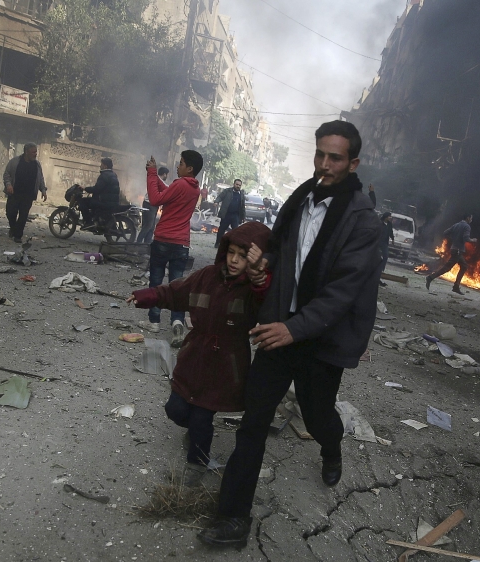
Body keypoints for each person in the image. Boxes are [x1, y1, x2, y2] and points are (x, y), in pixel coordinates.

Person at [197, 121, 381, 548]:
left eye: (335, 157)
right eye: (320, 154)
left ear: (353, 163)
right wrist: (264, 268)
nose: (324, 164)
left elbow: (341, 294)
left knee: (318, 420)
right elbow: (284, 257)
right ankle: (232, 519)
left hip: (320, 341)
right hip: (279, 333)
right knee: (253, 424)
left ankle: (331, 446)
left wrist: (293, 328)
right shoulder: (301, 202)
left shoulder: (364, 223)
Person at [127, 222, 271, 486]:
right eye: (231, 253)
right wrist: (144, 296)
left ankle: (197, 463)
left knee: (203, 415)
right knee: (176, 408)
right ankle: (194, 433)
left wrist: (260, 279)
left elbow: (265, 303)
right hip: (194, 356)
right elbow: (175, 292)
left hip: (226, 363)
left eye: (242, 255)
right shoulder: (206, 276)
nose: (235, 260)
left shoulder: (253, 290)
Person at [140, 151, 202, 347]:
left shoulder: (179, 184)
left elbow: (156, 199)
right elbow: (168, 192)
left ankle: (154, 321)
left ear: (190, 168)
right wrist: (155, 174)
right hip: (181, 243)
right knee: (178, 285)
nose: (178, 166)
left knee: (156, 281)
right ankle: (177, 321)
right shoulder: (193, 189)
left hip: (163, 240)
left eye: (181, 163)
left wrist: (150, 174)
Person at [2, 143, 47, 243]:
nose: (35, 154)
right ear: (26, 152)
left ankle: (18, 236)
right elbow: (7, 174)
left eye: (36, 152)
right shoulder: (15, 162)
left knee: (23, 216)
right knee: (10, 213)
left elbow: (40, 178)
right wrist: (8, 185)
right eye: (33, 152)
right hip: (14, 193)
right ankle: (13, 228)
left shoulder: (37, 165)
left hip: (28, 195)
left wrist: (43, 190)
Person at [425, 214, 477, 295]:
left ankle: (456, 287)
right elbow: (466, 238)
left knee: (464, 266)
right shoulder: (467, 227)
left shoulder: (456, 225)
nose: (471, 220)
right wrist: (473, 240)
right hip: (458, 251)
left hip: (454, 249)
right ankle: (430, 278)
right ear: (467, 218)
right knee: (447, 268)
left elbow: (445, 232)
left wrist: (453, 239)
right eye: (471, 218)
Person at [80, 157, 119, 223]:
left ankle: (88, 222)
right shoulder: (113, 174)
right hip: (112, 201)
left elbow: (97, 189)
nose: (100, 166)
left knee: (83, 202)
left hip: (104, 201)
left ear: (105, 166)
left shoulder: (104, 175)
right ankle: (95, 217)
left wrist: (85, 188)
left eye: (101, 164)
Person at [137, 166, 168, 244]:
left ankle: (146, 244)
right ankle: (138, 243)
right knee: (148, 225)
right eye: (166, 174)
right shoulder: (158, 181)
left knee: (151, 226)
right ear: (164, 174)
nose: (166, 176)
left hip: (151, 205)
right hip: (150, 204)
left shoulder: (156, 180)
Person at [214, 179, 245, 247]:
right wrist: (216, 201)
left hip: (235, 216)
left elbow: (243, 207)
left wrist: (243, 217)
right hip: (226, 214)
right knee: (221, 230)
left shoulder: (242, 194)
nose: (238, 186)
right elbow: (220, 197)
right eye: (237, 184)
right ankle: (217, 243)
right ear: (234, 184)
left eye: (239, 185)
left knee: (235, 231)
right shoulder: (227, 191)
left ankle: (231, 245)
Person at [378, 212, 395, 286]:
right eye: (389, 216)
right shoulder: (380, 223)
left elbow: (390, 232)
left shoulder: (389, 224)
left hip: (385, 243)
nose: (390, 217)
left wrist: (393, 239)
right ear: (385, 217)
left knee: (385, 255)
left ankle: (381, 269)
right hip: (378, 242)